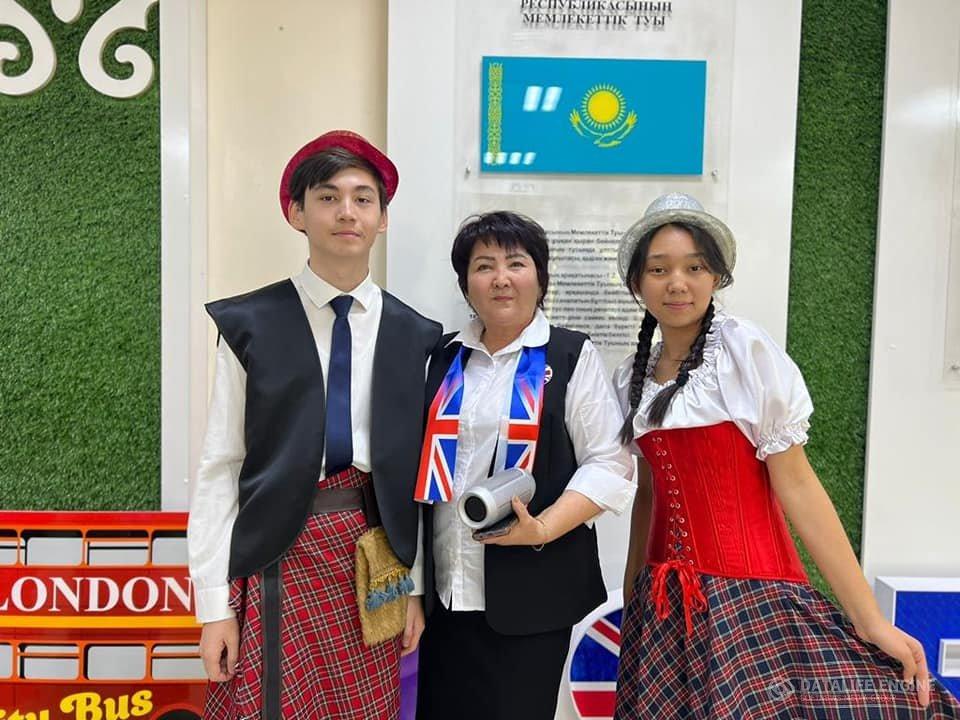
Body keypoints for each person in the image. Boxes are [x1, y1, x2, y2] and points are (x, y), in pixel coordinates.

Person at [612, 192, 960, 719]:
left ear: (717, 276)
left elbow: (797, 485)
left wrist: (869, 620)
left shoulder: (743, 351)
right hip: (663, 613)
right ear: (638, 283)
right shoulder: (631, 377)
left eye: (694, 267)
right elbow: (649, 498)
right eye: (659, 269)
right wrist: (634, 601)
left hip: (749, 602)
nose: (677, 283)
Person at [187, 130, 442, 719]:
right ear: (296, 213)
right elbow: (222, 465)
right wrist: (213, 607)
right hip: (276, 549)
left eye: (362, 198)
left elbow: (415, 477)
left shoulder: (415, 334)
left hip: (373, 553)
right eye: (328, 197)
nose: (346, 212)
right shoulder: (250, 324)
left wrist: (414, 585)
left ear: (382, 219)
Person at [414, 211, 636, 720]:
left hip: (532, 597)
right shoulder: (442, 357)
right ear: (466, 284)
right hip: (446, 596)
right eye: (484, 266)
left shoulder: (571, 354)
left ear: (540, 277)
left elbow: (611, 460)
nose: (501, 278)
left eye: (516, 263)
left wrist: (545, 526)